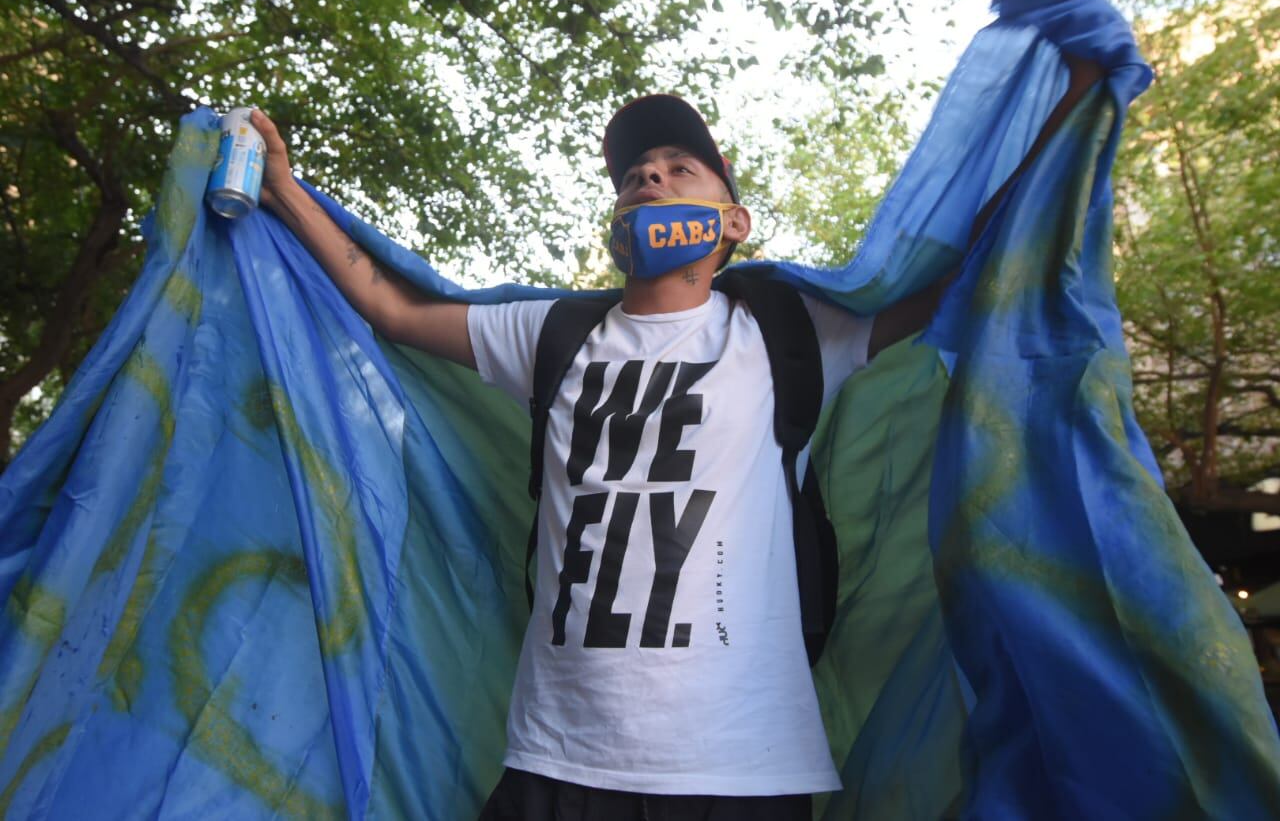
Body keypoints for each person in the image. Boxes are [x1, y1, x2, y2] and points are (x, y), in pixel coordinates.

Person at [250, 61, 1099, 820]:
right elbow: (389, 310)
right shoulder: (548, 331)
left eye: (677, 169)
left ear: (734, 220)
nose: (649, 178)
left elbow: (967, 271)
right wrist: (284, 187)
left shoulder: (791, 330)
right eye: (632, 176)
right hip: (555, 762)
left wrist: (1068, 101)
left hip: (742, 772)